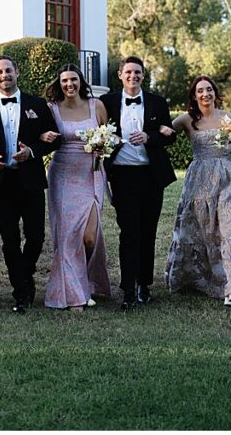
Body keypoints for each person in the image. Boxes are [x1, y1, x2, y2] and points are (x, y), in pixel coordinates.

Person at [163, 76, 231, 306]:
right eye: (200, 91)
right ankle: (198, 278)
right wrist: (161, 129)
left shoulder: (227, 117)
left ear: (215, 93)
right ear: (194, 96)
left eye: (209, 90)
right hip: (199, 179)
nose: (206, 94)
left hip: (226, 176)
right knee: (202, 229)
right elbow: (165, 129)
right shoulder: (186, 119)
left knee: (230, 226)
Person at [0, 55, 59, 314]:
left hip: (30, 181)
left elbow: (54, 140)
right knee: (9, 240)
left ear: (16, 72)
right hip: (1, 183)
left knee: (36, 236)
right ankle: (21, 292)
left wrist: (31, 151)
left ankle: (24, 274)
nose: (4, 75)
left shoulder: (37, 105)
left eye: (8, 70)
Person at [99, 56, 176, 310]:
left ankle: (144, 285)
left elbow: (169, 137)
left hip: (151, 176)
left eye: (138, 72)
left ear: (143, 76)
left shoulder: (157, 102)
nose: (133, 76)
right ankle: (128, 289)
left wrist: (149, 136)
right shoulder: (107, 102)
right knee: (128, 233)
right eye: (128, 72)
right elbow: (98, 134)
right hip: (122, 176)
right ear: (120, 75)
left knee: (148, 232)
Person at [41, 64, 112, 310]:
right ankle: (74, 294)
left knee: (90, 237)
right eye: (64, 81)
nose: (69, 85)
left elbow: (109, 136)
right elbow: (39, 134)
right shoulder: (52, 109)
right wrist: (42, 137)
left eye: (73, 80)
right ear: (59, 84)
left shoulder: (97, 106)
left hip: (91, 175)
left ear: (80, 81)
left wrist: (104, 146)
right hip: (62, 175)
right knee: (68, 236)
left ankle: (90, 281)